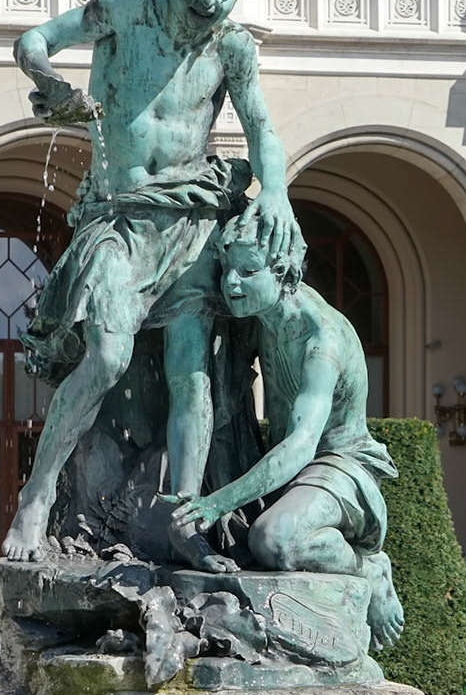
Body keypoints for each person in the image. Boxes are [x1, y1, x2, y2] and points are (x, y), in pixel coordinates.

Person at [2, 0, 303, 570]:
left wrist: (277, 189)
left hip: (189, 220)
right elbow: (33, 40)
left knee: (192, 373)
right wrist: (50, 84)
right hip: (120, 215)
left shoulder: (232, 46)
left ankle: (183, 520)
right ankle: (37, 493)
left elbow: (261, 128)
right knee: (108, 357)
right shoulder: (127, 8)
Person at [166, 228, 406, 644]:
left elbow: (301, 446)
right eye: (227, 270)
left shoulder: (321, 342)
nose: (231, 283)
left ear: (285, 275)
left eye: (248, 271)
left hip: (339, 466)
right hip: (284, 468)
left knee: (273, 540)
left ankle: (368, 568)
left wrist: (218, 502)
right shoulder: (263, 319)